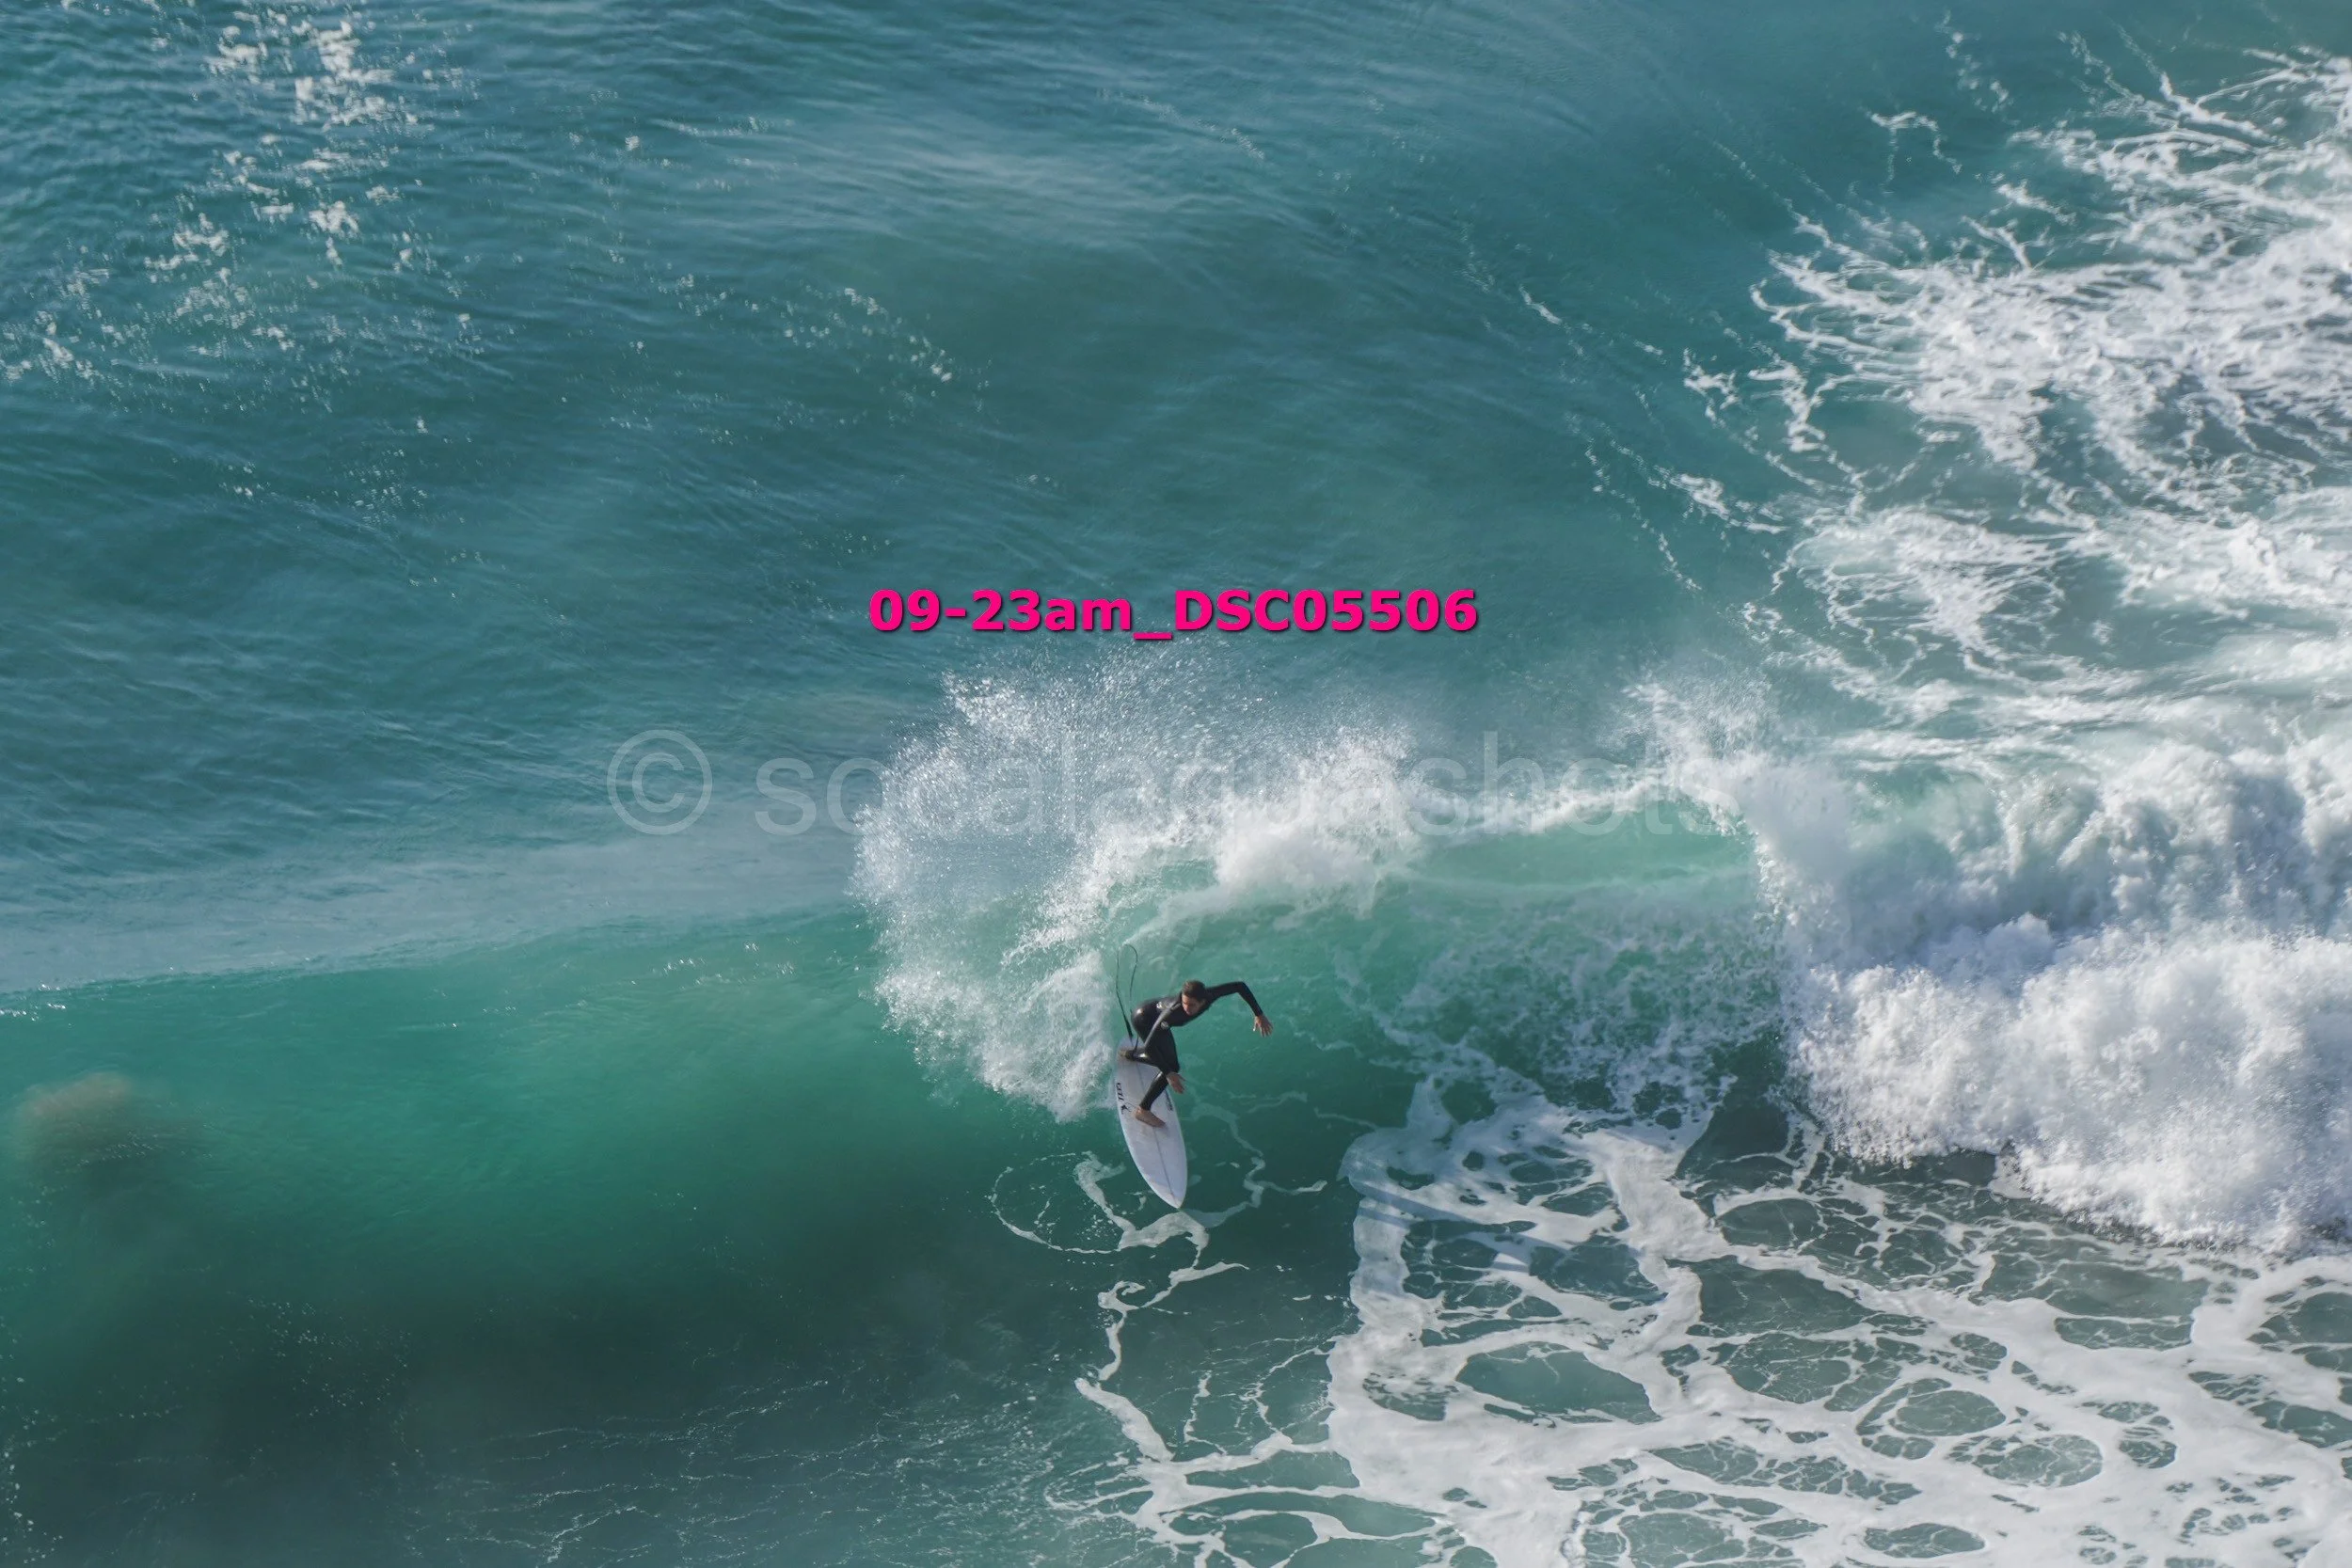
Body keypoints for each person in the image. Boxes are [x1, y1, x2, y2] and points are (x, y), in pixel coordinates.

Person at [1122, 978, 1272, 1128]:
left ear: (1202, 1001)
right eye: (1184, 1002)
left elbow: (1240, 986)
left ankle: (1130, 1055)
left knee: (1163, 1057)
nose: (1186, 1007)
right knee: (1172, 1067)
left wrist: (1258, 1013)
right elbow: (1150, 1046)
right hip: (1144, 1020)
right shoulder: (1172, 1013)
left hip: (1152, 1016)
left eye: (1191, 1005)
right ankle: (1143, 1110)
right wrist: (1168, 1074)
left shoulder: (1211, 995)